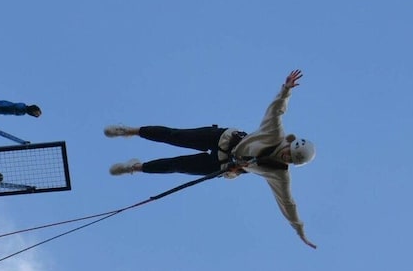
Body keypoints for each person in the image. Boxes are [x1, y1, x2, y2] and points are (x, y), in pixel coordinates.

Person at [104, 69, 317, 249]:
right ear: (290, 144)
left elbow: (288, 203)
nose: (285, 156)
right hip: (221, 139)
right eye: (289, 152)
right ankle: (130, 130)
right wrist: (286, 89)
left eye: (290, 159)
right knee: (175, 136)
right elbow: (277, 110)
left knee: (176, 165)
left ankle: (135, 167)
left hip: (223, 165)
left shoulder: (279, 174)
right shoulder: (275, 133)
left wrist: (300, 231)